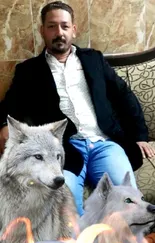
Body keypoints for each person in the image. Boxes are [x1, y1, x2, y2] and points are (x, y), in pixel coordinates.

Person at [0, 1, 154, 216]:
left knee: (128, 203)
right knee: (65, 209)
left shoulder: (94, 60)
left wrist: (140, 136)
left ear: (74, 29)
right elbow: (9, 107)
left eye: (64, 26)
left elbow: (124, 97)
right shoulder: (28, 71)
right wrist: (4, 127)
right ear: (42, 31)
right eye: (52, 26)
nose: (59, 32)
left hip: (105, 143)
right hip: (62, 150)